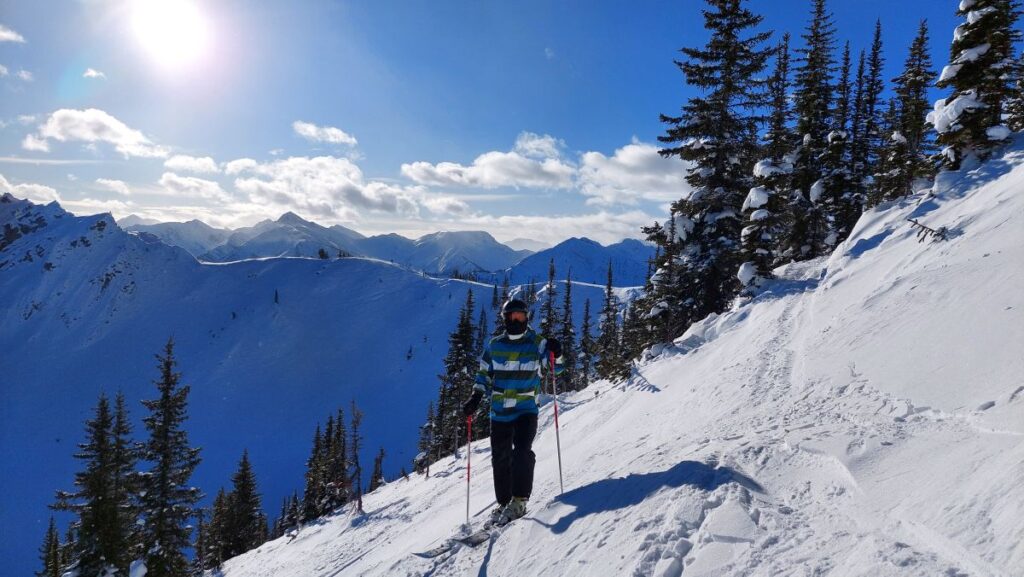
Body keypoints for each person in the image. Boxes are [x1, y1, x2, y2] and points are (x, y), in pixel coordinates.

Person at [462, 298, 562, 526]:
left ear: (527, 318)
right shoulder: (495, 345)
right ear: (505, 319)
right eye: (511, 316)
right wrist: (476, 396)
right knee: (500, 457)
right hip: (499, 412)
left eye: (520, 316)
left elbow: (556, 365)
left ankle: (519, 500)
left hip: (526, 409)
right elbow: (484, 375)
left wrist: (557, 351)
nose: (516, 320)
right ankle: (504, 502)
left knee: (522, 451)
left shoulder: (537, 343)